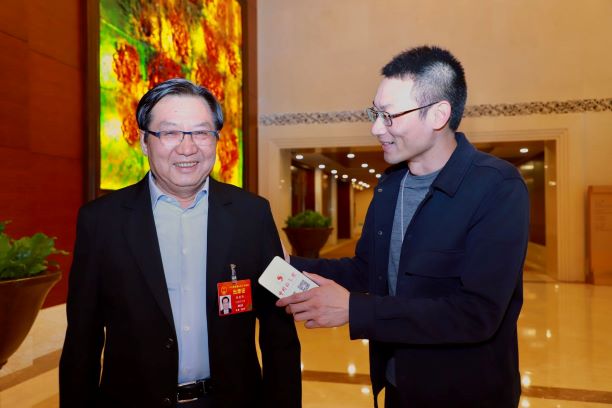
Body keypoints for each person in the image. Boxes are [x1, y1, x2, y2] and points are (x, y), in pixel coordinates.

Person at [277, 46, 529, 408]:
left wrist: (355, 310)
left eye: (389, 116)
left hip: (468, 394)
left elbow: (477, 313)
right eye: (375, 113)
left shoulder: (496, 187)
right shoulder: (390, 185)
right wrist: (290, 264)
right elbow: (367, 270)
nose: (376, 128)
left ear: (438, 114)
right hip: (397, 385)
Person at [60, 78, 302, 408]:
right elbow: (82, 339)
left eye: (201, 133)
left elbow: (279, 333)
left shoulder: (252, 214)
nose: (187, 148)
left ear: (216, 139)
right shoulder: (102, 221)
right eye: (170, 133)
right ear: (144, 142)